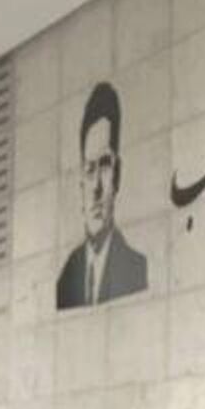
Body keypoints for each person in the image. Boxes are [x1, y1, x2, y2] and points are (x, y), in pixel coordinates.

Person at [56, 79, 149, 308]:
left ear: (117, 175)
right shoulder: (65, 280)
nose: (96, 187)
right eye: (89, 169)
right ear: (80, 182)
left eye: (105, 166)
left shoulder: (137, 270)